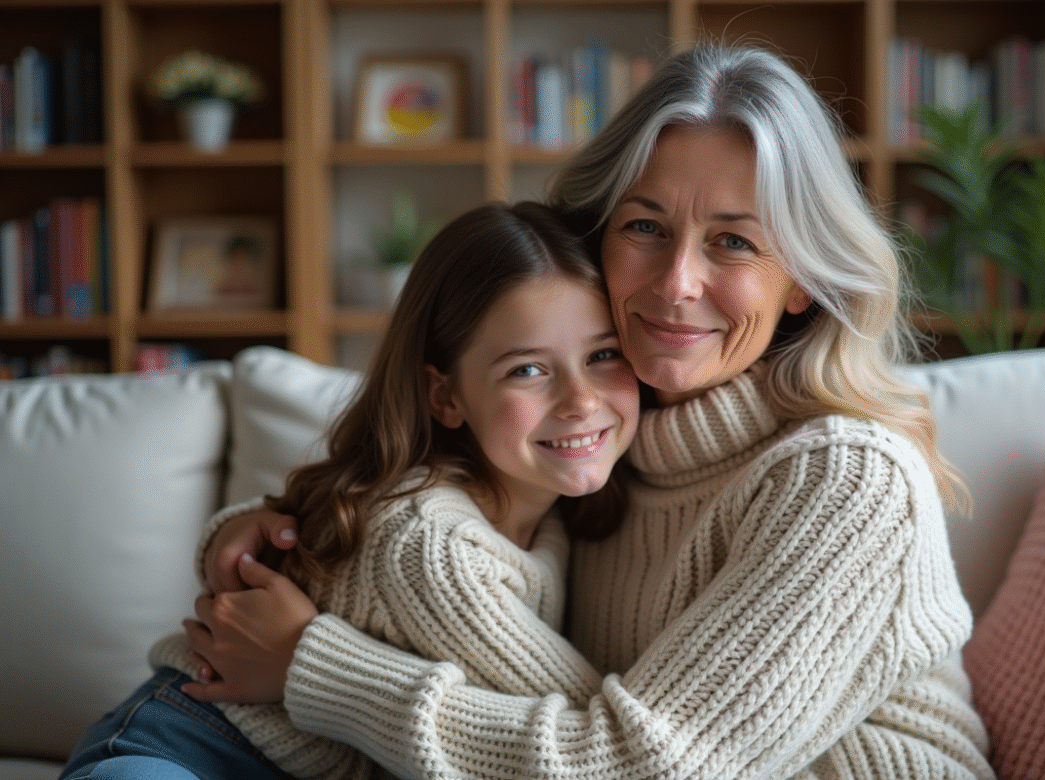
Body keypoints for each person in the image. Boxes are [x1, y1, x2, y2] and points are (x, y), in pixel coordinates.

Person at [184, 43, 995, 779]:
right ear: (595, 238)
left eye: (734, 242)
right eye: (645, 226)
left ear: (805, 281)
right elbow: (425, 504)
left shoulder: (848, 478)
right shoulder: (596, 435)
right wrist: (273, 528)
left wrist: (312, 668)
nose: (676, 282)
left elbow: (642, 768)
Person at [57, 201, 641, 780]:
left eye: (603, 355)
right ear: (445, 397)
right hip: (190, 748)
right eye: (528, 370)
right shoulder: (433, 543)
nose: (582, 401)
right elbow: (594, 745)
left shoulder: (557, 516)